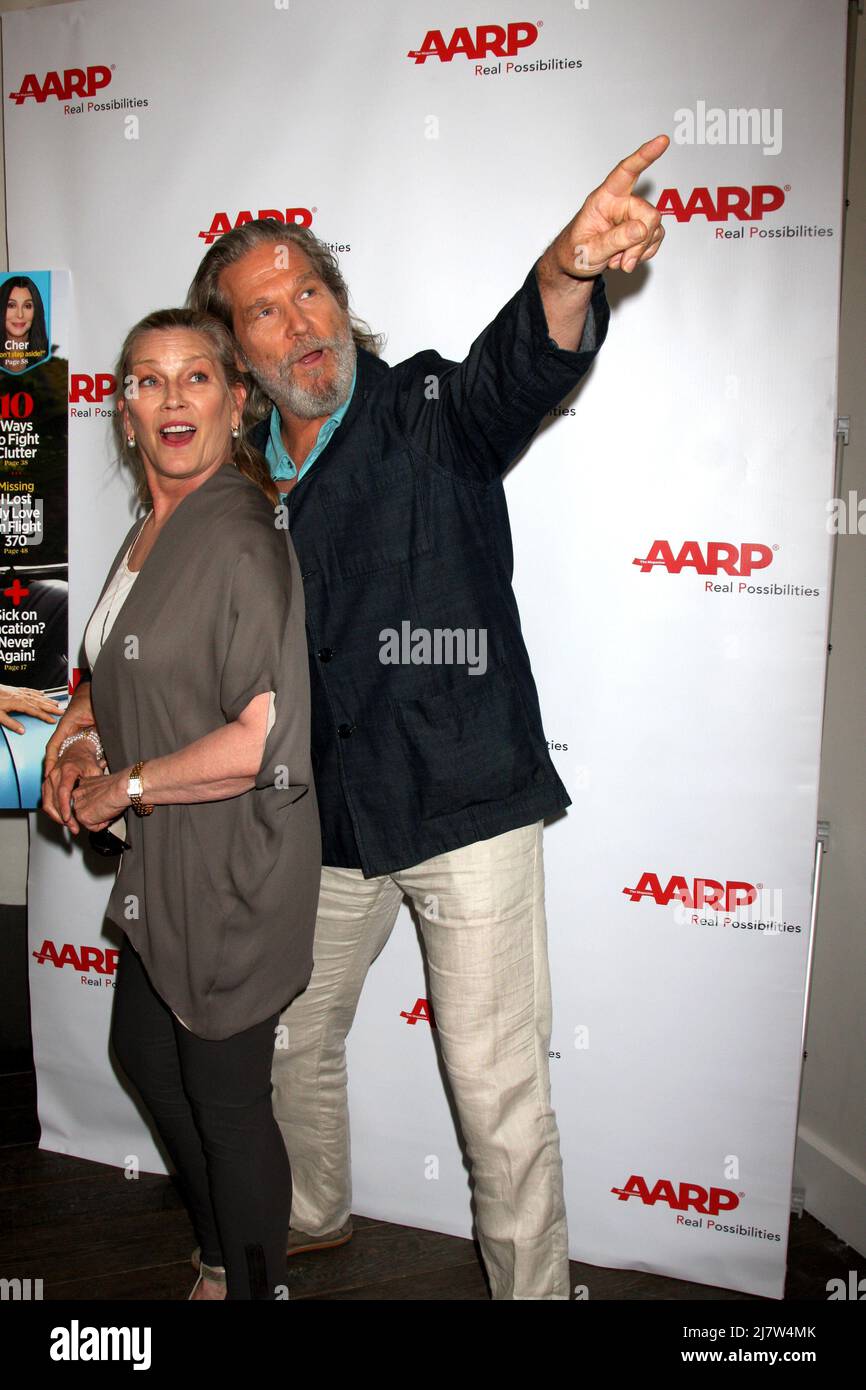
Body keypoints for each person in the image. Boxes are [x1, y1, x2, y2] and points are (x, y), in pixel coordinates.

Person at [49, 134, 668, 1300]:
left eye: (312, 292)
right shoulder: (230, 492)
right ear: (236, 353)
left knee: (495, 1099)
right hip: (317, 825)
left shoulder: (424, 409)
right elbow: (153, 639)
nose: (302, 323)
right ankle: (311, 1215)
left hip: (463, 805)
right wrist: (84, 723)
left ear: (342, 302)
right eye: (267, 312)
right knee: (285, 1044)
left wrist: (568, 272)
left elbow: (511, 372)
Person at [42, 308, 320, 1300]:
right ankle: (218, 1253)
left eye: (194, 377)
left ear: (235, 400)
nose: (170, 399)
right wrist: (74, 739)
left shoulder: (238, 538)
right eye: (148, 380)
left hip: (235, 864)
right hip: (168, 863)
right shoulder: (152, 526)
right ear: (123, 412)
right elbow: (111, 671)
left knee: (225, 1099)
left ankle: (249, 1282)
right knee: (145, 1056)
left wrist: (126, 784)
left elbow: (256, 740)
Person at [0, 275, 48, 372]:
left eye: (27, 306)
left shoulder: (50, 358)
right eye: (11, 305)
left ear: (36, 311)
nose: (20, 315)